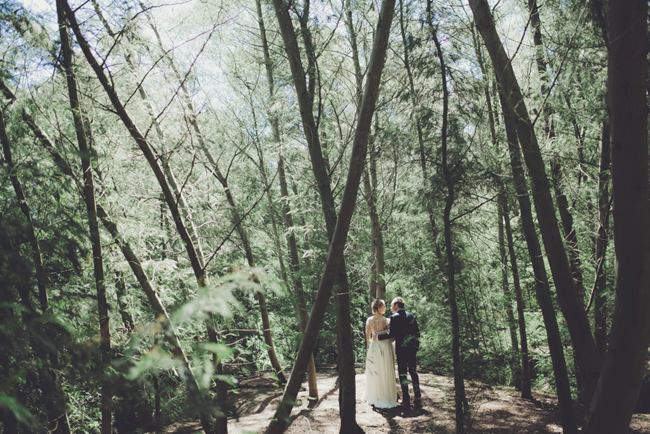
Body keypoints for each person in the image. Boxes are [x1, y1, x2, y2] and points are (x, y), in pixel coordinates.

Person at [375, 296, 421, 405]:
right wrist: (415, 347)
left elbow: (391, 334)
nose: (391, 308)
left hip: (401, 349)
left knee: (403, 373)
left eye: (391, 306)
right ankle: (418, 397)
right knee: (413, 372)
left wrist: (378, 337)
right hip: (412, 348)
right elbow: (417, 334)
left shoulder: (394, 317)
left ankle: (406, 399)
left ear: (396, 305)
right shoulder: (412, 317)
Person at [364, 299, 398, 408]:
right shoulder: (387, 320)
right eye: (384, 306)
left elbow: (367, 336)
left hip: (374, 346)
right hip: (385, 345)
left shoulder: (369, 320)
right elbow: (390, 336)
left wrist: (371, 345)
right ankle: (386, 394)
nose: (385, 308)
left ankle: (375, 395)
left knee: (375, 369)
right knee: (385, 369)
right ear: (379, 308)